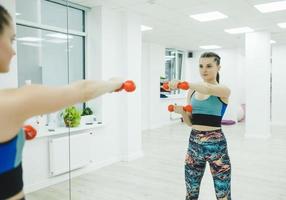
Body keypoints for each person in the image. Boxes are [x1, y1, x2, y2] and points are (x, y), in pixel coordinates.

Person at [0, 5, 125, 200]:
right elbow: (82, 90)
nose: (14, 51)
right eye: (11, 39)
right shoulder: (8, 103)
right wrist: (114, 83)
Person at [170, 52, 231, 200]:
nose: (204, 69)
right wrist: (182, 112)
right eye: (201, 66)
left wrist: (182, 83)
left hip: (216, 146)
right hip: (194, 144)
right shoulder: (192, 91)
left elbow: (208, 89)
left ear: (218, 67)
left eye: (209, 66)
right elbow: (190, 122)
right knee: (191, 192)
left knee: (222, 193)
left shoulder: (223, 90)